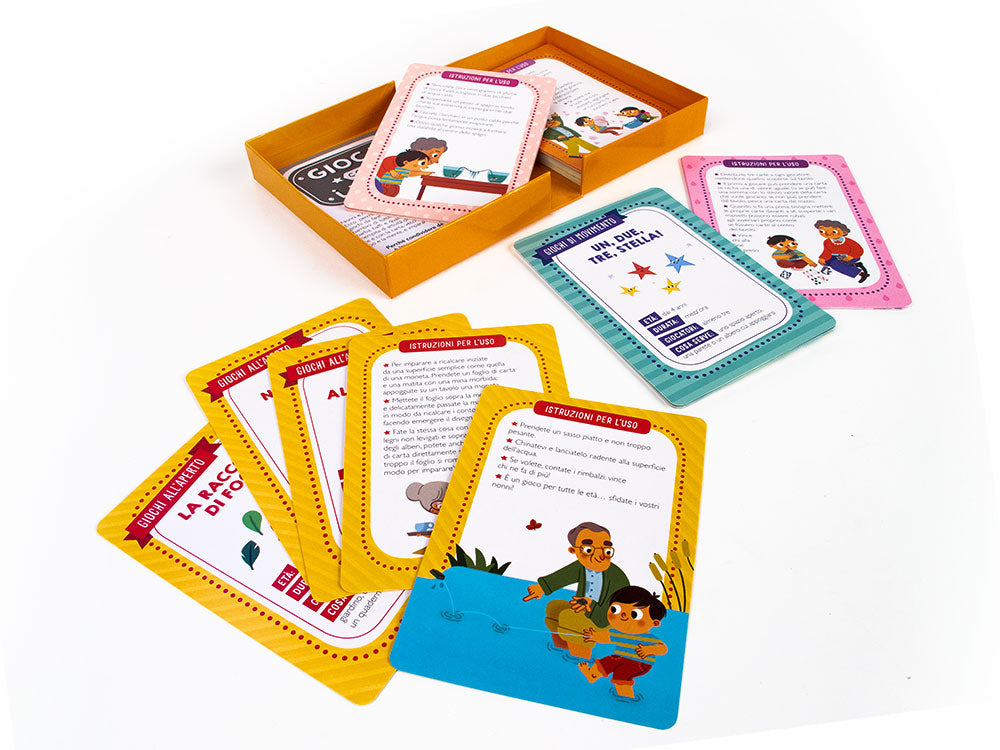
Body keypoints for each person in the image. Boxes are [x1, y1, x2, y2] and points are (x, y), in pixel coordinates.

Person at [523, 522, 630, 658]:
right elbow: (562, 577)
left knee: (569, 617)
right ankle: (563, 647)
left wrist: (592, 605)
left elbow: (621, 607)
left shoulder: (616, 576)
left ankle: (580, 656)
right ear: (574, 551)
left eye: (606, 550)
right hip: (583, 607)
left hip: (605, 617)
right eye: (589, 550)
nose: (600, 556)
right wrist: (541, 587)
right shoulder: (581, 566)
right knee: (554, 607)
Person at [578, 586, 669, 698]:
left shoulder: (646, 637)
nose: (623, 615)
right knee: (607, 662)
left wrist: (648, 650)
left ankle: (626, 696)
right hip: (620, 657)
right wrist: (594, 636)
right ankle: (592, 675)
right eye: (615, 610)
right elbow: (607, 637)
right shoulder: (618, 633)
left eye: (635, 615)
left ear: (654, 623)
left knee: (621, 675)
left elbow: (663, 648)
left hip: (639, 662)